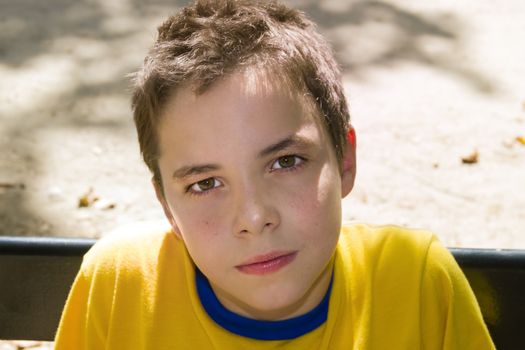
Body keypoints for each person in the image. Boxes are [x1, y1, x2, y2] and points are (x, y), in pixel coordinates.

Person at [54, 0, 495, 348]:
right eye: (204, 184)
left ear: (344, 160)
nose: (253, 216)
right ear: (167, 206)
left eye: (285, 162)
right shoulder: (120, 285)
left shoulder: (413, 281)